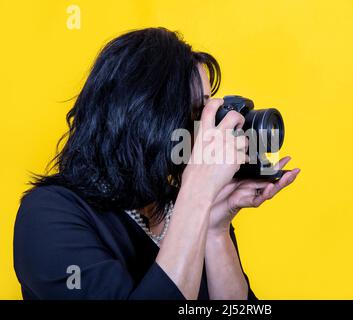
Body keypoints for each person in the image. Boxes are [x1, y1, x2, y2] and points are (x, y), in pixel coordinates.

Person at [13, 27, 300, 300]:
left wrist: (216, 229)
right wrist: (198, 192)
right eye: (197, 110)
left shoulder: (186, 204)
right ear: (144, 117)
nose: (209, 128)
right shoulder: (47, 215)